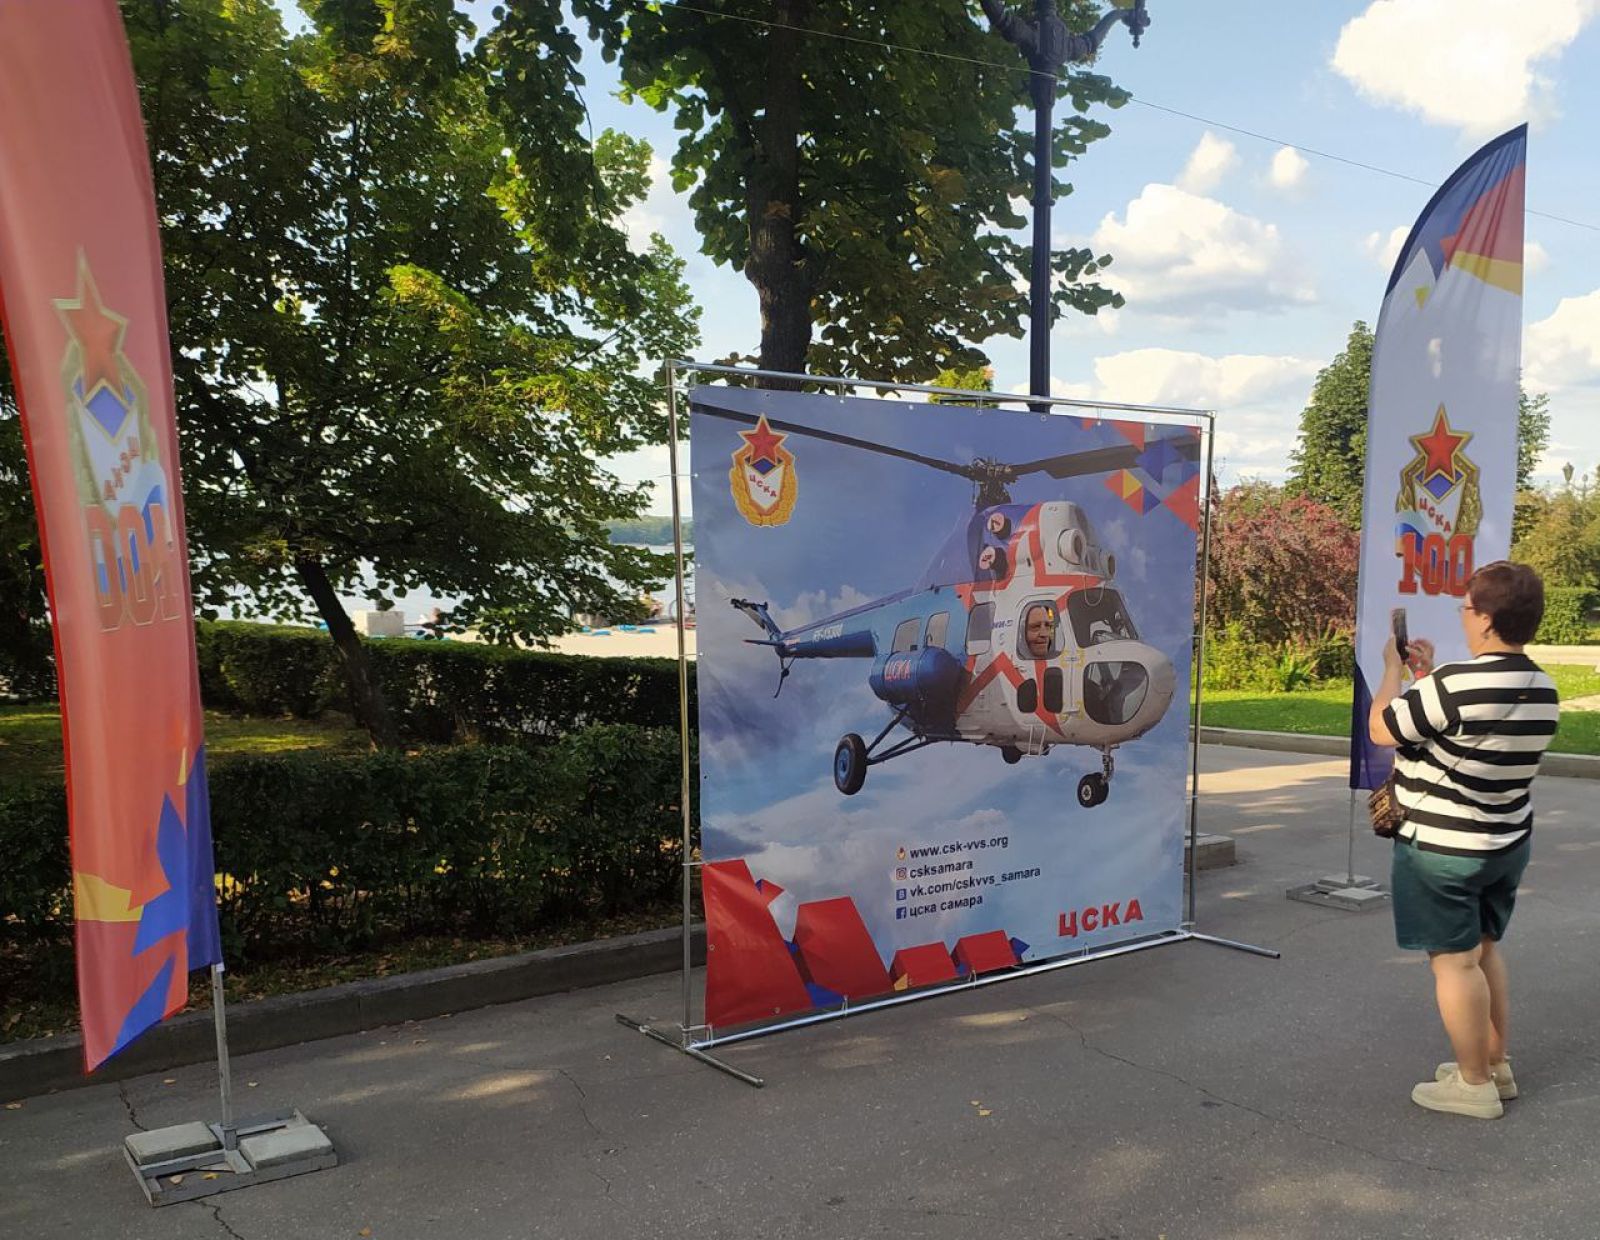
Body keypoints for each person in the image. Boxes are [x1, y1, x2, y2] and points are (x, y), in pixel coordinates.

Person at [1367, 561, 1559, 1120]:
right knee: (1484, 951)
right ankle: (1495, 1065)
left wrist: (1393, 671)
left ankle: (1472, 1084)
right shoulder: (1542, 687)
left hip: (1444, 849)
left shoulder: (1457, 684)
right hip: (1505, 842)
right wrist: (1427, 677)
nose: (1463, 616)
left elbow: (1382, 727)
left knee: (1454, 963)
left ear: (1488, 619)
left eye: (1467, 608)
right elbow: (1466, 730)